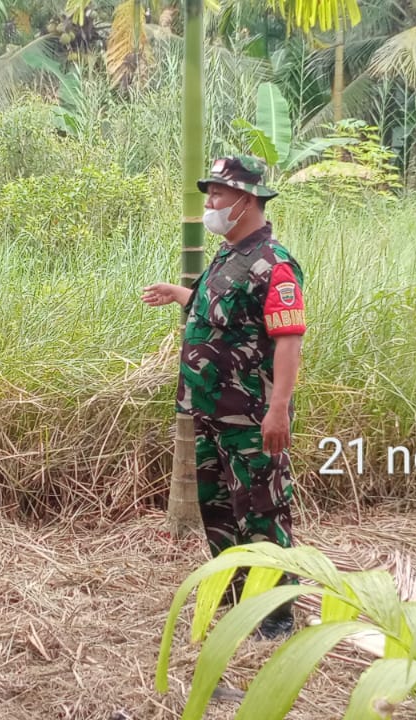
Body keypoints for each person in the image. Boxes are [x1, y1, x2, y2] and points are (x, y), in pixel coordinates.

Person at [140, 155, 306, 640]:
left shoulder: (275, 264)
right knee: (219, 509)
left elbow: (289, 340)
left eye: (218, 194)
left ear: (247, 200)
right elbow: (222, 311)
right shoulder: (229, 254)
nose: (209, 203)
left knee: (262, 510)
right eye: (209, 193)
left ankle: (275, 616)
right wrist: (179, 293)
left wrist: (278, 411)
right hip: (210, 410)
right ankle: (237, 601)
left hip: (251, 417)